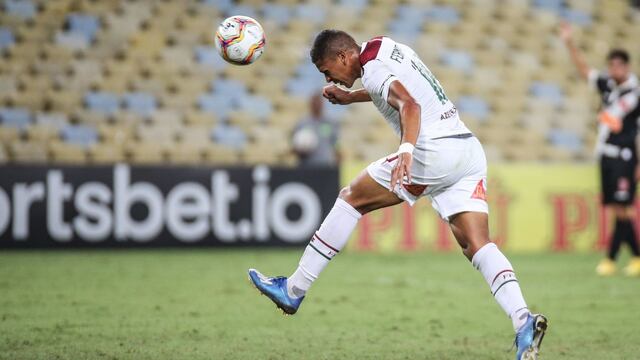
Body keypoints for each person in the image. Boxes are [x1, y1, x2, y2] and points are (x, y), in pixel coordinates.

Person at [248, 30, 547, 359]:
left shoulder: (373, 72)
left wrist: (406, 151)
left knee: (351, 198)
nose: (328, 77)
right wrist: (351, 97)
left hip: (430, 151)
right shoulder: (383, 47)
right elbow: (394, 89)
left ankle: (294, 289)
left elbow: (409, 104)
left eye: (327, 69)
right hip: (466, 149)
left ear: (344, 56)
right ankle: (523, 322)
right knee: (476, 244)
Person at [560, 22, 640, 276]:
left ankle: (618, 258)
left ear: (626, 67)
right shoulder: (608, 85)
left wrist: (600, 116)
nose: (613, 69)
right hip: (606, 155)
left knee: (623, 208)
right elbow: (585, 71)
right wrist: (569, 43)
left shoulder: (634, 93)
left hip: (625, 156)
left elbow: (614, 120)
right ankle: (626, 258)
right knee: (619, 208)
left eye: (618, 65)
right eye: (611, 65)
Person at [291, 93, 340, 167]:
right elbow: (294, 145)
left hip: (325, 164)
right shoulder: (302, 123)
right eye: (314, 102)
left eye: (318, 103)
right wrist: (299, 149)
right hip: (305, 164)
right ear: (310, 104)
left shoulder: (330, 123)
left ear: (322, 104)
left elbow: (336, 144)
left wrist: (338, 161)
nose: (316, 105)